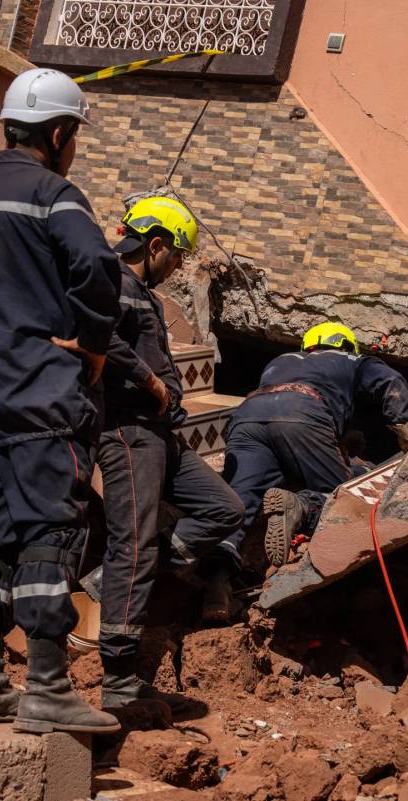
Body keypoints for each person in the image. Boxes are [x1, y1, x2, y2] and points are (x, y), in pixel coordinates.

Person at [0, 68, 121, 734]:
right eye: (75, 137)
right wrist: (93, 342)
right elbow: (99, 269)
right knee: (48, 536)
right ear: (61, 133)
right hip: (43, 398)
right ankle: (45, 686)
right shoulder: (54, 196)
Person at [95, 195, 245, 713]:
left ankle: (140, 566)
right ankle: (118, 679)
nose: (178, 266)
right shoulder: (112, 282)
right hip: (128, 430)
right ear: (154, 244)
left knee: (225, 508)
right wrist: (152, 384)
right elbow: (98, 339)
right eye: (176, 255)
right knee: (131, 547)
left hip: (163, 434)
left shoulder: (143, 294)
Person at [215, 322, 408, 573]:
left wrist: (339, 441)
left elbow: (279, 426)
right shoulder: (354, 360)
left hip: (246, 418)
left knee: (238, 500)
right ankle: (301, 507)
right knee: (343, 497)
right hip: (302, 413)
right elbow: (392, 383)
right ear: (347, 345)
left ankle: (218, 575)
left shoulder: (280, 360)